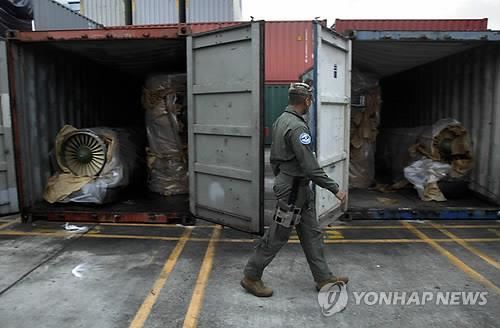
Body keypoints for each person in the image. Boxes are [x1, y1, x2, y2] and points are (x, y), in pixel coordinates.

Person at [241, 82, 348, 297]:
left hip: (296, 189)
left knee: (312, 234)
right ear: (307, 101)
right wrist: (334, 188)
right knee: (278, 235)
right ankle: (251, 276)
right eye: (310, 100)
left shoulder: (281, 120)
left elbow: (275, 160)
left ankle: (323, 277)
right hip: (292, 192)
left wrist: (284, 177)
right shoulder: (298, 127)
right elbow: (310, 166)